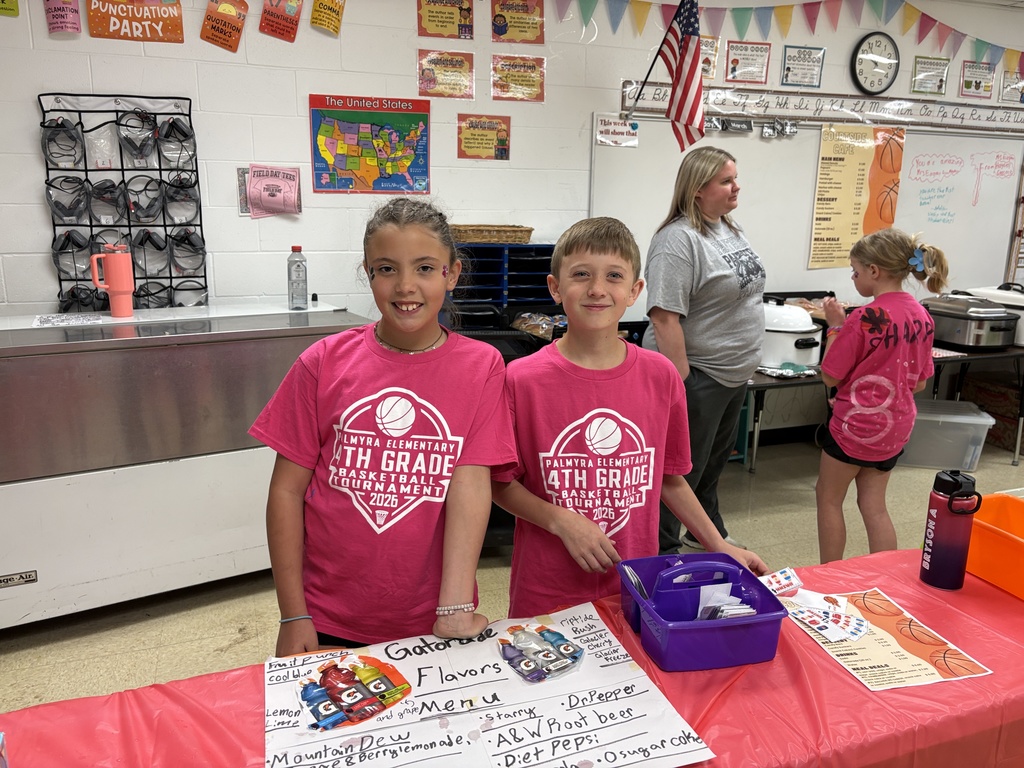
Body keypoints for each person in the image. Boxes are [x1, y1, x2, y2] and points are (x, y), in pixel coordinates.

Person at [250, 198, 517, 655]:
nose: (406, 286)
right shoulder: (322, 363)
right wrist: (294, 614)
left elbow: (470, 482)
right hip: (329, 612)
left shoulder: (482, 366)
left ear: (451, 274)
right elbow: (287, 492)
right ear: (368, 273)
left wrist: (453, 608)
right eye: (387, 269)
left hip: (432, 616)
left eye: (426, 268)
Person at [492, 217, 767, 619]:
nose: (597, 289)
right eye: (581, 275)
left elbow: (670, 479)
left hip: (635, 585)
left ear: (635, 291)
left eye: (614, 276)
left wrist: (717, 544)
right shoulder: (521, 379)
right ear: (555, 287)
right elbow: (500, 485)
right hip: (547, 590)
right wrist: (562, 522)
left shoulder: (660, 376)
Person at [643, 146, 766, 554]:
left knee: (712, 464)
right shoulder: (677, 240)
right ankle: (662, 549)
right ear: (697, 189)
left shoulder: (728, 227)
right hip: (700, 375)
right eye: (726, 180)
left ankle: (705, 531)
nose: (737, 186)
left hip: (733, 373)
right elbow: (664, 317)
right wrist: (683, 384)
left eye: (735, 177)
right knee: (681, 473)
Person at [816, 228, 948, 563]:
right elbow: (918, 383)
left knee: (828, 498)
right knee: (874, 505)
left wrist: (835, 326)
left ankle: (829, 575)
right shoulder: (922, 315)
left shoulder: (866, 317)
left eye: (856, 271)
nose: (854, 278)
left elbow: (830, 375)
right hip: (895, 428)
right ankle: (886, 578)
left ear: (874, 271)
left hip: (855, 427)